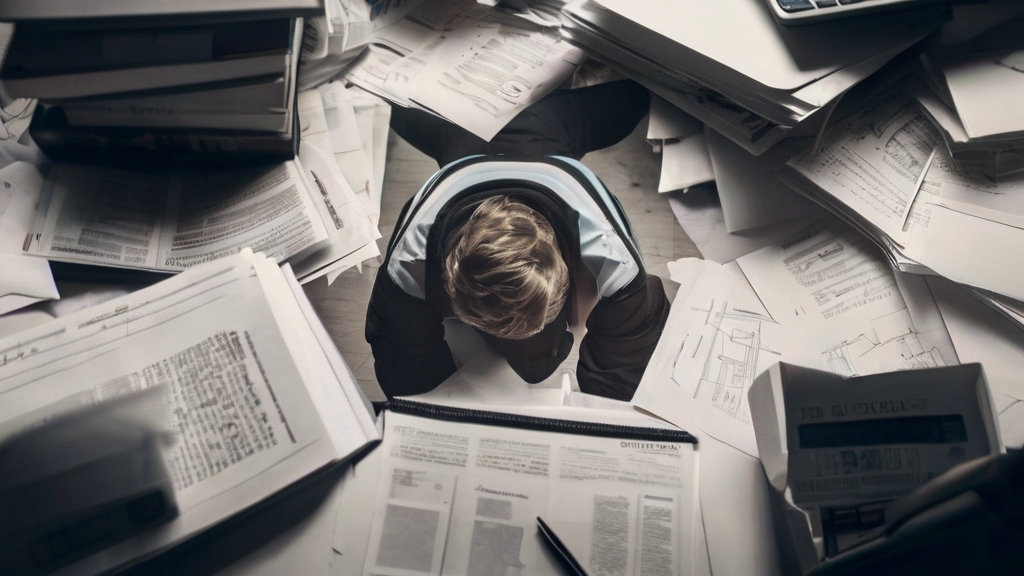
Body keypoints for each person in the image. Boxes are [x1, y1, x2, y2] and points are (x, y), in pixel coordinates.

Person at [365, 79, 670, 401]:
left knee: (639, 93)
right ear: (445, 278)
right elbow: (404, 365)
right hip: (467, 127)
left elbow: (624, 366)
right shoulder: (409, 262)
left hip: (526, 124)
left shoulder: (611, 256)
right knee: (390, 90)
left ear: (568, 274)